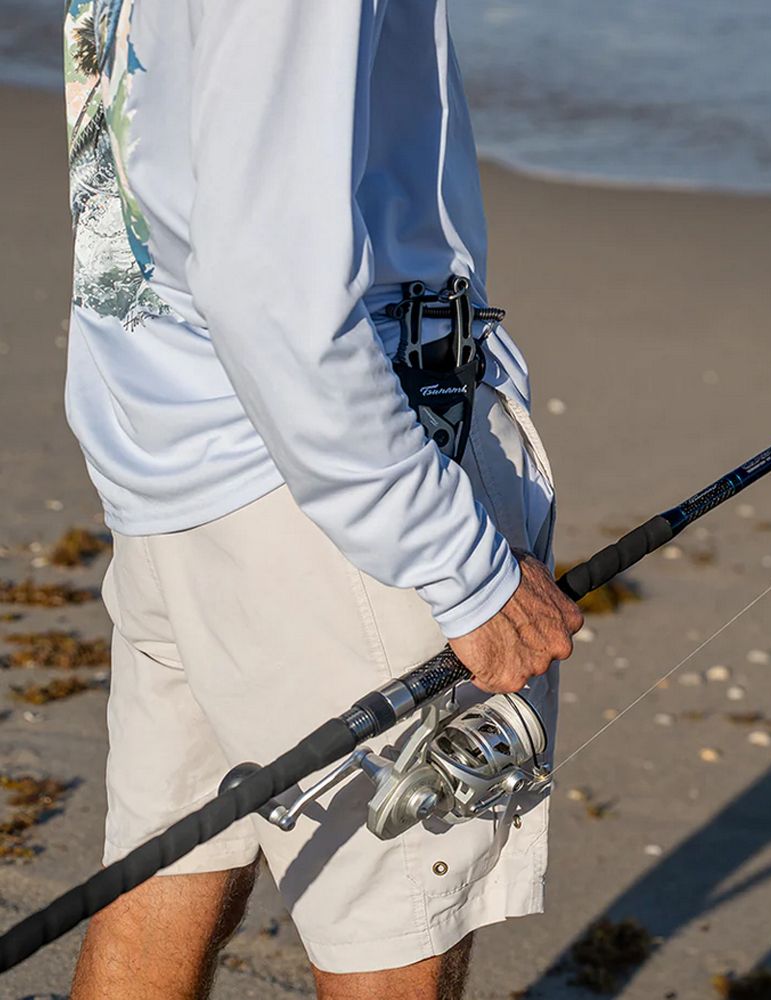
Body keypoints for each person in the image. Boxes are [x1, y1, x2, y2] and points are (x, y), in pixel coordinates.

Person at [61, 2, 583, 998]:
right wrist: (458, 564)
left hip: (170, 452)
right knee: (392, 938)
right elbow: (271, 288)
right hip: (326, 496)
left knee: (165, 869)